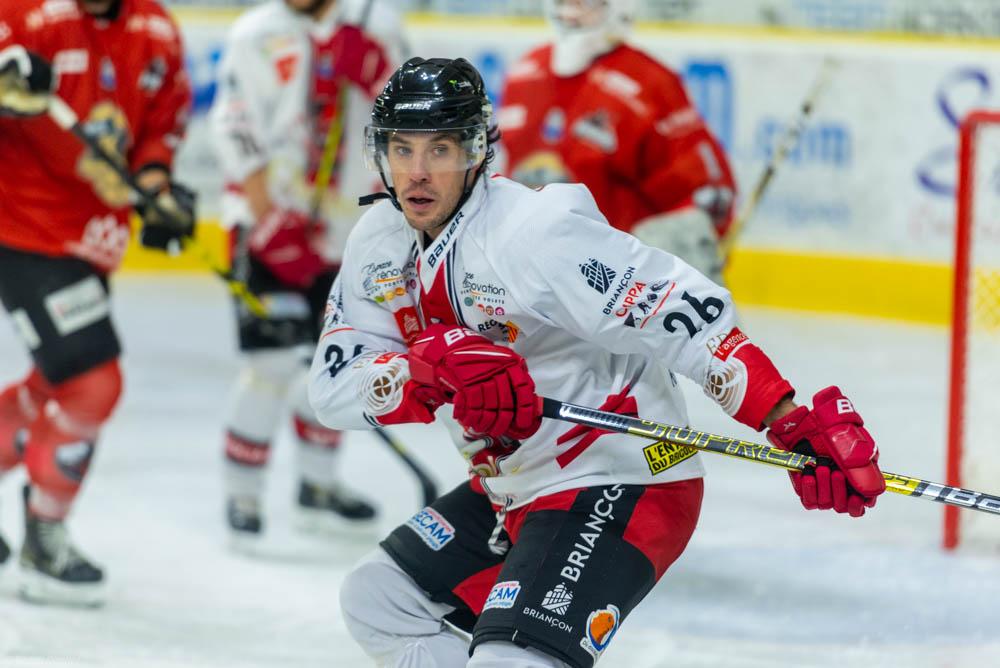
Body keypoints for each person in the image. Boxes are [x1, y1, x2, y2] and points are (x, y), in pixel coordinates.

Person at [308, 57, 885, 667]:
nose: (417, 172)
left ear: (476, 152)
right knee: (379, 600)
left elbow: (677, 311)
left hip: (619, 477)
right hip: (513, 487)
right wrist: (420, 376)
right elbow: (333, 386)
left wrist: (786, 418)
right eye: (402, 149)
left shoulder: (533, 232)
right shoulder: (377, 242)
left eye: (440, 149)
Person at [0, 0, 193, 605]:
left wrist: (156, 185)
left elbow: (161, 125)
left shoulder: (156, 29)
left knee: (51, 386)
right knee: (91, 384)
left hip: (95, 237)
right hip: (24, 230)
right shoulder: (22, 15)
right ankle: (44, 537)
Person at [209, 0, 406, 543]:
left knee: (337, 361)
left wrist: (380, 78)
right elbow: (233, 123)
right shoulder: (256, 32)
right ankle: (243, 491)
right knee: (272, 363)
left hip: (347, 231)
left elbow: (412, 126)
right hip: (266, 224)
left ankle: (317, 484)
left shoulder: (378, 28)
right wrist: (268, 215)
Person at [499, 0, 735, 283]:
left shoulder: (652, 83)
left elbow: (703, 194)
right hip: (535, 276)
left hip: (619, 285)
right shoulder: (523, 74)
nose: (571, 9)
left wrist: (670, 263)